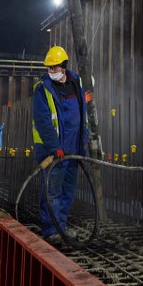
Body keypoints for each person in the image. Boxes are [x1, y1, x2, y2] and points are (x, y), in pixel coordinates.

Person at [31, 46, 89, 245]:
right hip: (54, 150)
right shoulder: (42, 88)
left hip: (74, 148)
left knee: (66, 190)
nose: (51, 71)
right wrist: (55, 147)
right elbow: (43, 121)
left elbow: (83, 115)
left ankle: (60, 227)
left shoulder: (76, 82)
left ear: (64, 67)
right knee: (52, 190)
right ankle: (50, 230)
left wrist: (85, 140)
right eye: (49, 68)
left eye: (54, 67)